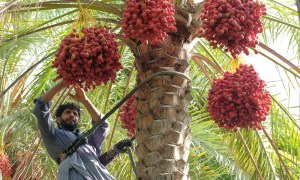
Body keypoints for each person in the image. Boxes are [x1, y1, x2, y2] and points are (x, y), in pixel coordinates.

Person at [33, 81, 132, 180]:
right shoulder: (52, 134)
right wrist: (66, 81)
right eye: (67, 112)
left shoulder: (88, 139)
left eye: (75, 114)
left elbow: (102, 126)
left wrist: (85, 101)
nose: (72, 115)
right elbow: (41, 107)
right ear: (58, 119)